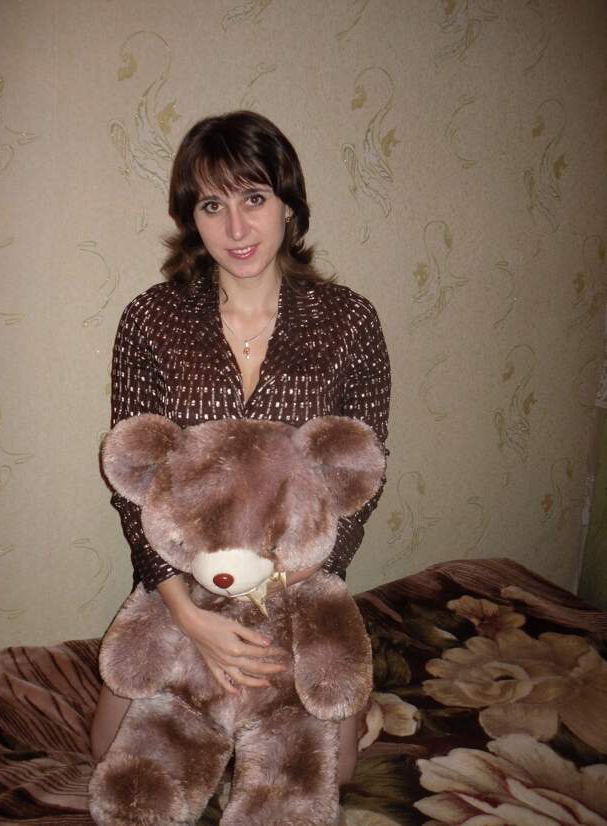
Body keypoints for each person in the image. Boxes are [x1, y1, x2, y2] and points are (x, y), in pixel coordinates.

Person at [90, 110, 391, 788]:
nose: (235, 228)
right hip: (183, 583)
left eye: (253, 198)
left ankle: (353, 710)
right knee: (105, 753)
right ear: (191, 220)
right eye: (212, 206)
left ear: (288, 204)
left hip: (296, 587)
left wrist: (285, 588)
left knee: (336, 776)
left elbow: (362, 476)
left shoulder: (350, 322)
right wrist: (187, 613)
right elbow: (132, 479)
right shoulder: (150, 319)